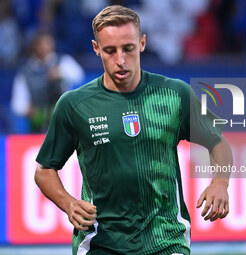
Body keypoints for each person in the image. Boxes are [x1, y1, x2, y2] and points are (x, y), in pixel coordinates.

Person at [34, 5, 232, 255]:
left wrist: (220, 183)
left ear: (142, 43)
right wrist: (69, 203)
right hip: (100, 241)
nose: (120, 60)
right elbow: (44, 170)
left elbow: (218, 143)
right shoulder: (74, 105)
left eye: (128, 48)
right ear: (96, 49)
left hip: (166, 239)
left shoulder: (175, 94)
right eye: (110, 51)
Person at [11, 30, 85, 133]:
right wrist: (30, 111)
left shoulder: (62, 61)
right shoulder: (25, 72)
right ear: (35, 46)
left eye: (49, 43)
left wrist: (60, 72)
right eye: (43, 44)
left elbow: (79, 75)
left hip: (62, 120)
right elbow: (17, 104)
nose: (47, 47)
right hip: (39, 125)